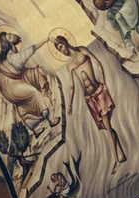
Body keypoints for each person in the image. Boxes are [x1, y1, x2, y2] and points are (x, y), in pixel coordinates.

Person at [54, 36, 127, 171]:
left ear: (65, 43)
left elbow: (98, 63)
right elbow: (72, 87)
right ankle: (121, 154)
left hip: (98, 93)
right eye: (59, 49)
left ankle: (116, 159)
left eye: (61, 46)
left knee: (107, 126)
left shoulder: (82, 50)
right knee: (106, 127)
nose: (62, 51)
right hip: (89, 99)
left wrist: (104, 82)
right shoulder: (69, 66)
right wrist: (69, 105)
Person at [0, 32, 58, 132]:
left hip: (16, 79)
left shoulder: (11, 53)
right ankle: (49, 119)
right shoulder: (12, 57)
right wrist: (46, 40)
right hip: (10, 87)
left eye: (10, 34)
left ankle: (35, 129)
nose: (13, 35)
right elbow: (30, 51)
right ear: (9, 44)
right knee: (32, 92)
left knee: (37, 72)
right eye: (10, 37)